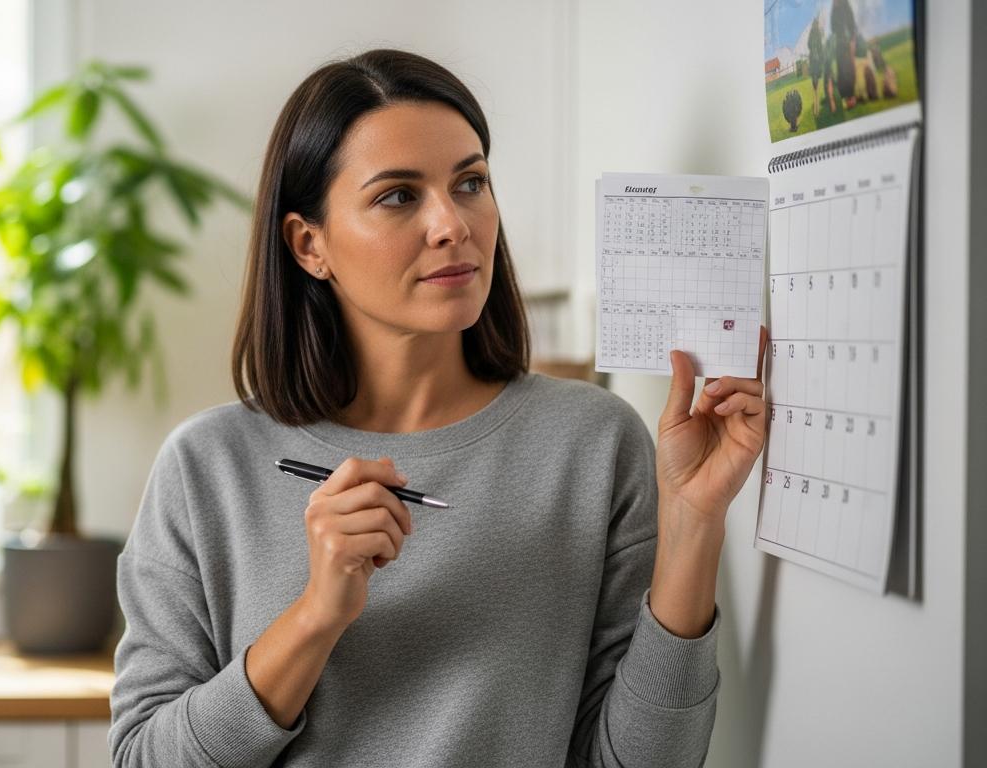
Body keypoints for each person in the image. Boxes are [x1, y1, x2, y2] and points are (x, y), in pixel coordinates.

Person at [108, 48, 767, 767]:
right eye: (398, 195)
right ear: (309, 244)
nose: (453, 223)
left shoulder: (594, 442)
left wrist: (694, 525)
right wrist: (314, 618)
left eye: (471, 182)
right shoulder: (206, 468)